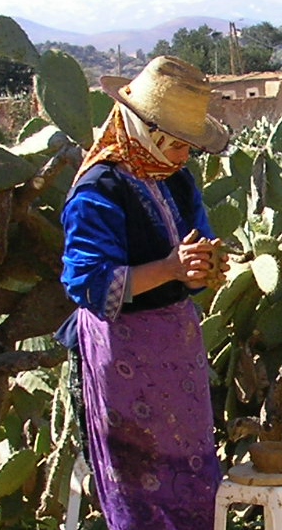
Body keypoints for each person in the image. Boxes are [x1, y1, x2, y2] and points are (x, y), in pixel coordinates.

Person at [59, 56, 230, 529]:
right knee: (141, 475)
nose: (185, 156)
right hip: (125, 352)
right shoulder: (98, 191)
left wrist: (201, 269)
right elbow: (89, 282)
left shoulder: (175, 180)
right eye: (178, 145)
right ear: (146, 132)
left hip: (176, 346)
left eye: (188, 147)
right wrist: (172, 267)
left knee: (192, 462)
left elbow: (195, 246)